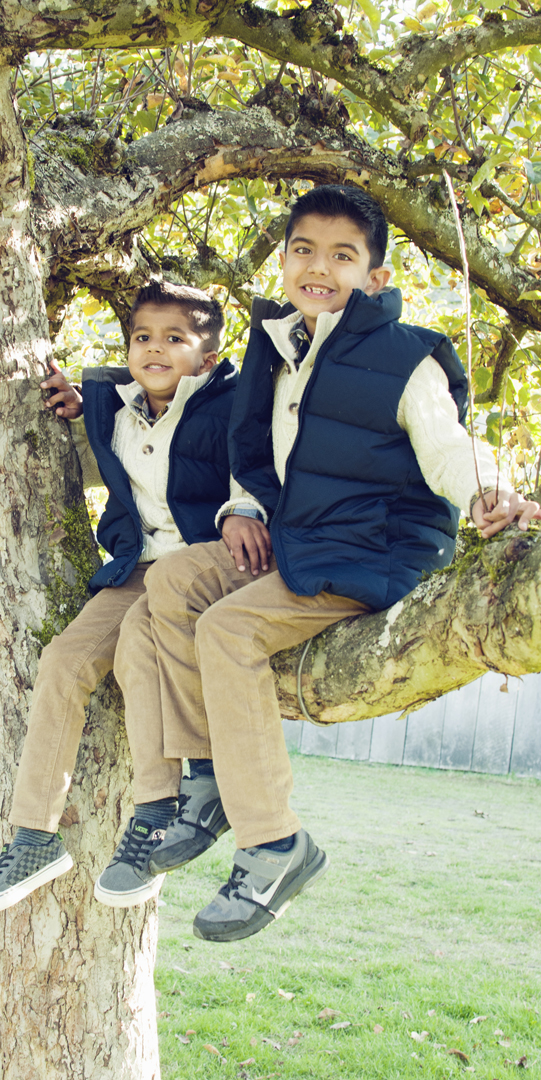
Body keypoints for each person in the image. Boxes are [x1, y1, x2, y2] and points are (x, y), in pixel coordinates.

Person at [101, 185, 540, 941]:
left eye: (342, 256)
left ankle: (274, 843)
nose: (319, 267)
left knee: (227, 631)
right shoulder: (276, 345)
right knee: (168, 584)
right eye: (304, 250)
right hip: (295, 540)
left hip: (372, 548)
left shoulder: (406, 356)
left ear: (374, 277)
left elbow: (447, 446)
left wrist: (487, 492)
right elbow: (253, 452)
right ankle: (205, 781)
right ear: (282, 262)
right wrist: (242, 506)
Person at [0, 280, 259, 918]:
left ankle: (155, 814)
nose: (154, 349)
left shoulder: (234, 407)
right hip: (135, 569)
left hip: (204, 570)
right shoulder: (115, 411)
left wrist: (242, 512)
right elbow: (97, 422)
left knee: (136, 652)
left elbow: (255, 471)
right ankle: (34, 836)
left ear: (207, 359)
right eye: (142, 337)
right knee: (63, 662)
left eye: (174, 339)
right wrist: (80, 403)